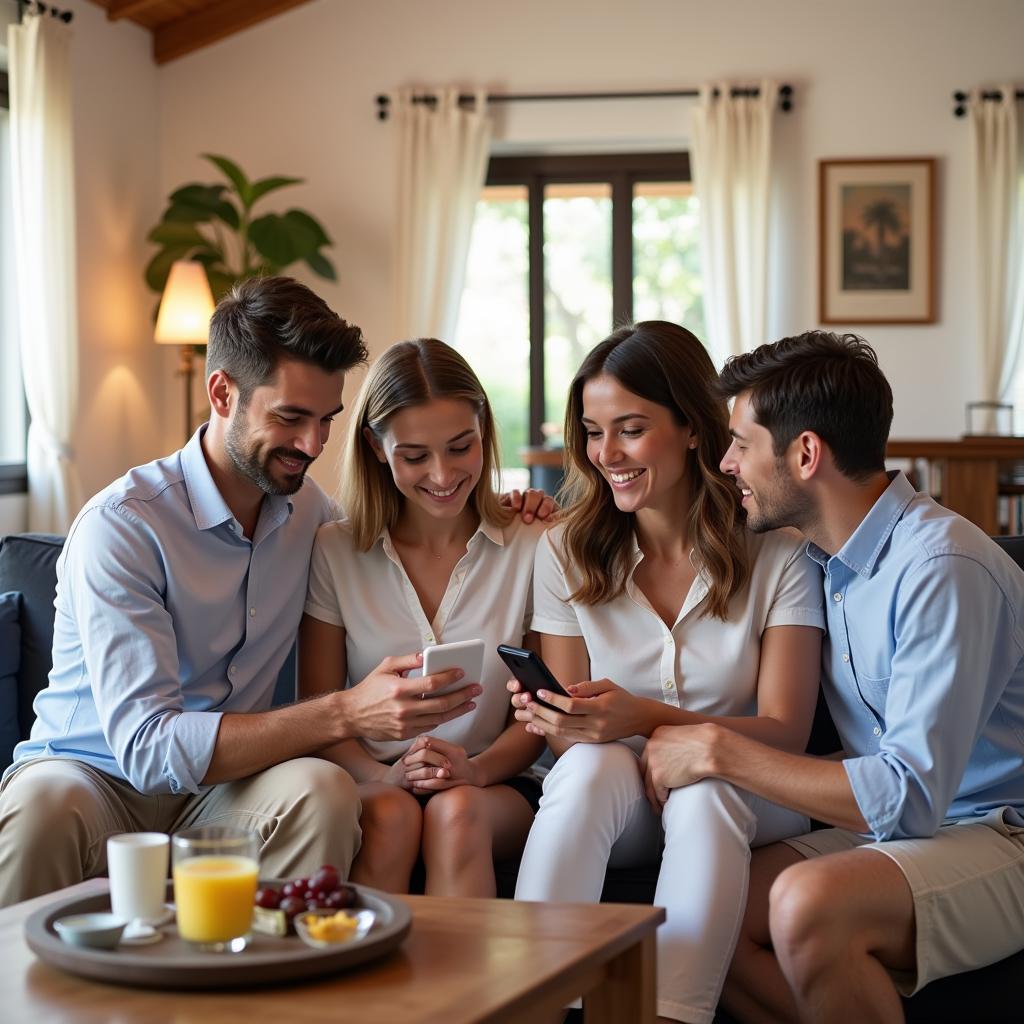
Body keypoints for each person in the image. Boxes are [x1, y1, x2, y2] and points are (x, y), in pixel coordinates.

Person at [0, 276, 488, 907]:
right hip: (95, 779)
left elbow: (411, 524)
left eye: (325, 421)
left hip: (225, 794)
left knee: (322, 789)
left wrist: (506, 510)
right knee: (44, 802)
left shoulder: (312, 515)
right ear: (222, 392)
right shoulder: (122, 526)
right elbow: (149, 749)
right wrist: (344, 710)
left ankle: (267, 995)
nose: (312, 446)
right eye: (290, 418)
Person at [642, 330, 1024, 1024]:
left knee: (808, 901)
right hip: (908, 827)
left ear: (806, 454)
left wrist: (717, 749)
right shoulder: (820, 560)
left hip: (1001, 832)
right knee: (708, 912)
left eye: (740, 444)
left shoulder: (942, 568)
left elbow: (907, 794)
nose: (726, 463)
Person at [510, 321, 825, 1024]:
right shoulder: (565, 549)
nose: (606, 454)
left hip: (749, 786)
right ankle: (527, 1002)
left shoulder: (778, 552)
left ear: (691, 428)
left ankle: (668, 1017)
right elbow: (569, 742)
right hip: (615, 791)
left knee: (708, 783)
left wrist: (650, 721)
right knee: (588, 770)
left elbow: (785, 732)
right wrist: (565, 720)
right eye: (593, 432)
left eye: (629, 429)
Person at [299, 338, 547, 897]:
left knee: (455, 812)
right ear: (376, 447)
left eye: (461, 447)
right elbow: (321, 716)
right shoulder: (335, 551)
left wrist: (476, 771)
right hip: (374, 777)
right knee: (392, 815)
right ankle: (373, 984)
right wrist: (384, 775)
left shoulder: (531, 543)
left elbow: (535, 717)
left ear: (484, 430)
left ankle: (467, 989)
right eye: (415, 456)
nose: (442, 474)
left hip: (494, 780)